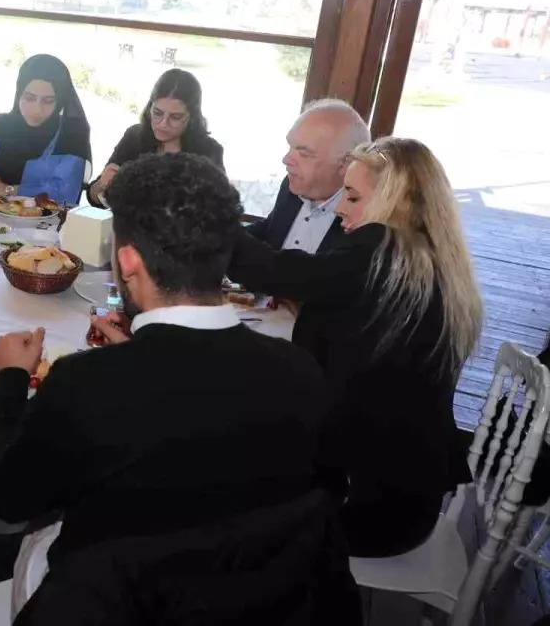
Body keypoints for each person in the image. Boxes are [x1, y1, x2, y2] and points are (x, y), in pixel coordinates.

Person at [0, 152, 358, 625]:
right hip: (266, 603)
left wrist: (10, 379)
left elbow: (7, 497)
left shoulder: (86, 384)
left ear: (128, 259)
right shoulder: (300, 371)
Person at [227, 137, 483, 558]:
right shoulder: (423, 259)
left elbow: (277, 270)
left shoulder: (382, 246)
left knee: (219, 500)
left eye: (352, 196)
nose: (341, 208)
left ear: (394, 201)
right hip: (405, 496)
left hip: (367, 509)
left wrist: (208, 222)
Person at [0, 54, 92, 207]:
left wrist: (7, 190)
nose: (37, 109)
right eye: (29, 98)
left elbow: (65, 195)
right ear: (19, 93)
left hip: (44, 227)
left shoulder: (71, 135)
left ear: (60, 101)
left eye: (48, 101)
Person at [86, 69, 224, 206]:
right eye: (157, 113)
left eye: (175, 117)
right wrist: (102, 185)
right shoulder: (134, 138)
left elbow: (221, 209)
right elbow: (94, 199)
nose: (163, 124)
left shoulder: (208, 151)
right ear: (150, 108)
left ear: (192, 117)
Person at [248, 98, 370, 253]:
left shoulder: (361, 218)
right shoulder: (294, 182)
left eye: (303, 153)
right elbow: (271, 228)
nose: (286, 160)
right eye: (290, 147)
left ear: (346, 163)